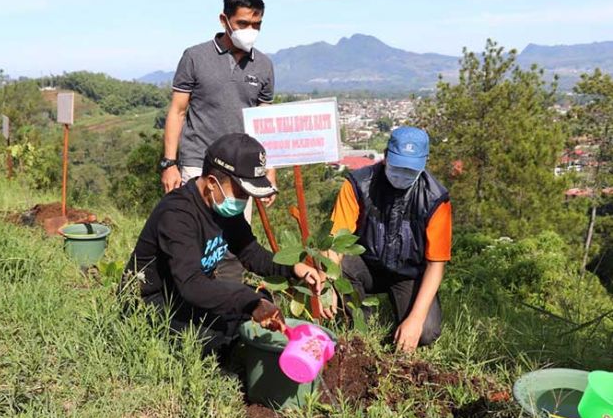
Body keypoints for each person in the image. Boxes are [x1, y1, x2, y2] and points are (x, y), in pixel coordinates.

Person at [122, 134, 331, 355]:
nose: (245, 201)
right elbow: (192, 285)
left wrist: (295, 268)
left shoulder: (223, 208)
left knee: (255, 307)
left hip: (186, 297)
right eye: (241, 192)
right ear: (212, 183)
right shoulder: (177, 215)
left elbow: (251, 252)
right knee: (217, 334)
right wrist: (252, 302)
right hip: (152, 303)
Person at [329, 127, 452, 353]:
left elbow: (436, 264)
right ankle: (359, 327)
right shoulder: (358, 184)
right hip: (366, 263)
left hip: (408, 273)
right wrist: (328, 288)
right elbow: (336, 243)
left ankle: (405, 320)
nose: (402, 174)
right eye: (397, 167)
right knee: (342, 267)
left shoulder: (435, 199)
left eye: (410, 170)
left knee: (426, 332)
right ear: (386, 157)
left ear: (424, 164)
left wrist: (415, 319)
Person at [160, 0, 276, 200]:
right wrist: (169, 163)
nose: (250, 30)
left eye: (256, 25)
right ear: (224, 20)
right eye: (242, 23)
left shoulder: (264, 66)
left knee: (235, 231)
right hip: (197, 164)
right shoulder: (195, 57)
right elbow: (177, 111)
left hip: (241, 169)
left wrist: (269, 171)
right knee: (194, 228)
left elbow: (265, 124)